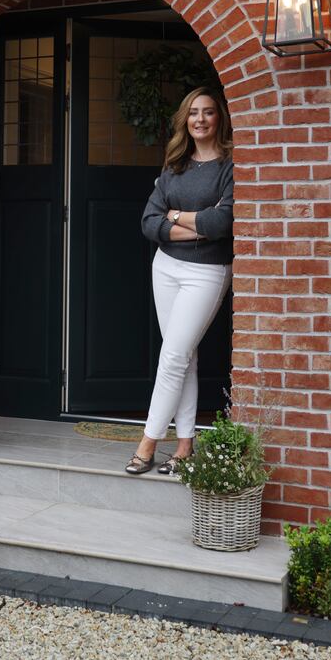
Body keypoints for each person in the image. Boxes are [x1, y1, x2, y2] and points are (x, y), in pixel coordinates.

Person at [126, 86, 234, 476]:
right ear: (184, 121)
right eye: (193, 113)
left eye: (207, 112)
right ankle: (185, 444)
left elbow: (223, 224)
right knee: (182, 357)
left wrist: (176, 216)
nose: (200, 119)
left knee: (172, 357)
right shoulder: (174, 167)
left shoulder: (230, 166)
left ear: (218, 117)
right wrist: (194, 223)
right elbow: (149, 222)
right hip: (166, 267)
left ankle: (148, 442)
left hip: (207, 271)